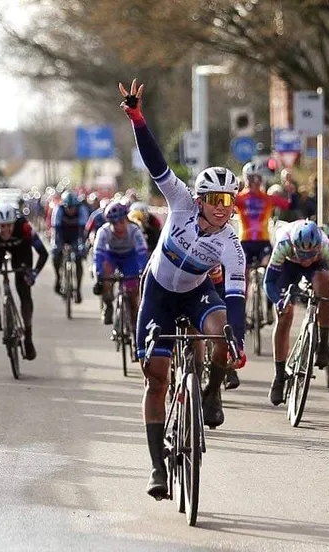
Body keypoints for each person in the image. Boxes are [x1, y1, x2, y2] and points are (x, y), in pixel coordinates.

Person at [119, 79, 246, 499]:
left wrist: (239, 340)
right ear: (202, 198)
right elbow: (155, 162)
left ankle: (211, 393)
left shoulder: (231, 243)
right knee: (156, 379)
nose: (222, 209)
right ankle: (157, 467)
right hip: (158, 292)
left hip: (195, 293)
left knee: (222, 331)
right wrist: (138, 119)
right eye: (216, 200)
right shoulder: (180, 202)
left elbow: (236, 295)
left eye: (229, 202)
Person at [263, 220, 329, 405]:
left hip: (318, 268)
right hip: (288, 267)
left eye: (311, 255)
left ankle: (324, 341)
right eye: (302, 255)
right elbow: (268, 282)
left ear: (318, 248)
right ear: (294, 247)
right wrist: (279, 302)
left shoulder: (326, 247)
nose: (306, 260)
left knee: (325, 285)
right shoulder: (284, 244)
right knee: (284, 316)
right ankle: (279, 376)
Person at [0, 203, 48, 361]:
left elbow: (43, 253)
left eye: (9, 226)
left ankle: (28, 336)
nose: (5, 230)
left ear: (14, 223)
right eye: (2, 226)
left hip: (21, 250)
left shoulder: (24, 226)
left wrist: (33, 273)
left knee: (24, 290)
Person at [235, 161, 290, 300]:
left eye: (257, 178)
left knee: (272, 268)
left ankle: (271, 302)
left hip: (263, 242)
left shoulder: (267, 198)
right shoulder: (239, 198)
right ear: (245, 179)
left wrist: (289, 189)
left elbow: (288, 205)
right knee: (242, 274)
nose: (254, 182)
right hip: (245, 242)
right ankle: (241, 304)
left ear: (261, 180)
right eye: (251, 178)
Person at [93, 200, 148, 326]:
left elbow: (142, 252)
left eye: (121, 221)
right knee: (105, 278)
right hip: (111, 256)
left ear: (126, 219)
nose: (118, 226)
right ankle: (108, 304)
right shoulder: (103, 232)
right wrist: (99, 273)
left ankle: (134, 323)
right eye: (114, 223)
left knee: (133, 292)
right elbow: (98, 253)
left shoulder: (135, 230)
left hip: (129, 257)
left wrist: (142, 270)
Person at [52, 191, 89, 302]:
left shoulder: (82, 209)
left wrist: (81, 246)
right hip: (62, 234)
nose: (71, 210)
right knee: (56, 255)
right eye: (68, 207)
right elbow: (56, 230)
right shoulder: (59, 209)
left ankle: (78, 289)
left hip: (75, 236)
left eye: (73, 207)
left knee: (78, 259)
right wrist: (57, 246)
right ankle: (58, 278)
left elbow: (82, 231)